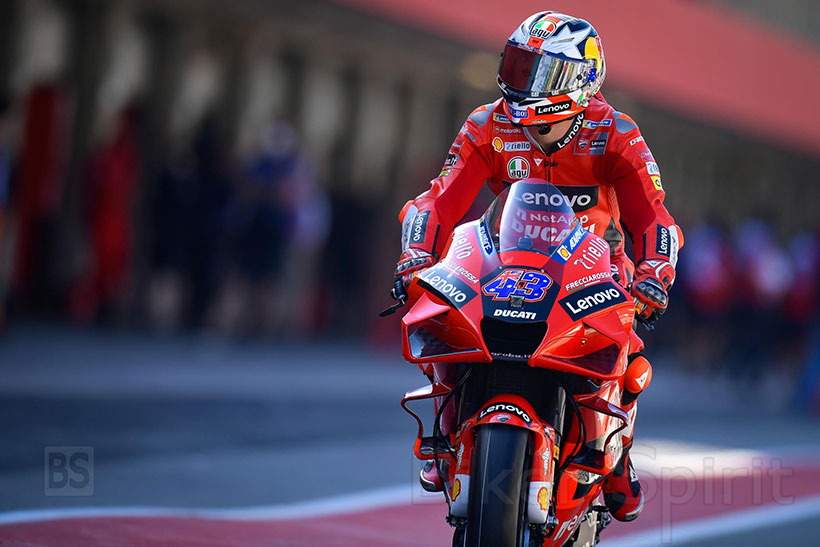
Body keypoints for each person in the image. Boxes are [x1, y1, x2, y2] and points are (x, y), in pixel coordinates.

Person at [393, 12, 683, 522]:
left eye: (537, 71)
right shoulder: (487, 124)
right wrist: (415, 255)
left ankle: (613, 453)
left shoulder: (616, 133)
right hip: (503, 259)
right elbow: (437, 201)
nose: (520, 81)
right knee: (444, 313)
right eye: (517, 65)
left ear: (578, 81)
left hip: (593, 267)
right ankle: (447, 430)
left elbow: (654, 217)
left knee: (628, 354)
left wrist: (654, 274)